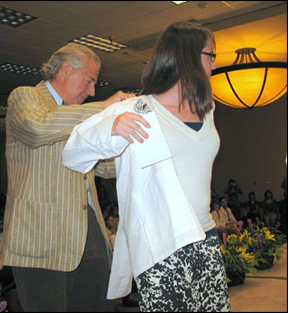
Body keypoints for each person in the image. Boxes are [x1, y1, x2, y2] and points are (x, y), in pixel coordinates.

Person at [63, 21, 231, 312]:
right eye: (210, 55)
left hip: (205, 235)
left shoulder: (207, 107)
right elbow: (73, 154)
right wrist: (111, 128)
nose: (214, 64)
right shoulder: (137, 109)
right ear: (188, 57)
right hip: (161, 245)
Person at [2, 42, 135, 312]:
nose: (92, 91)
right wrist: (104, 109)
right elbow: (39, 128)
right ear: (65, 70)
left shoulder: (80, 116)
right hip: (41, 240)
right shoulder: (25, 98)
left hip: (90, 236)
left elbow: (105, 167)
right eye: (88, 81)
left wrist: (138, 139)